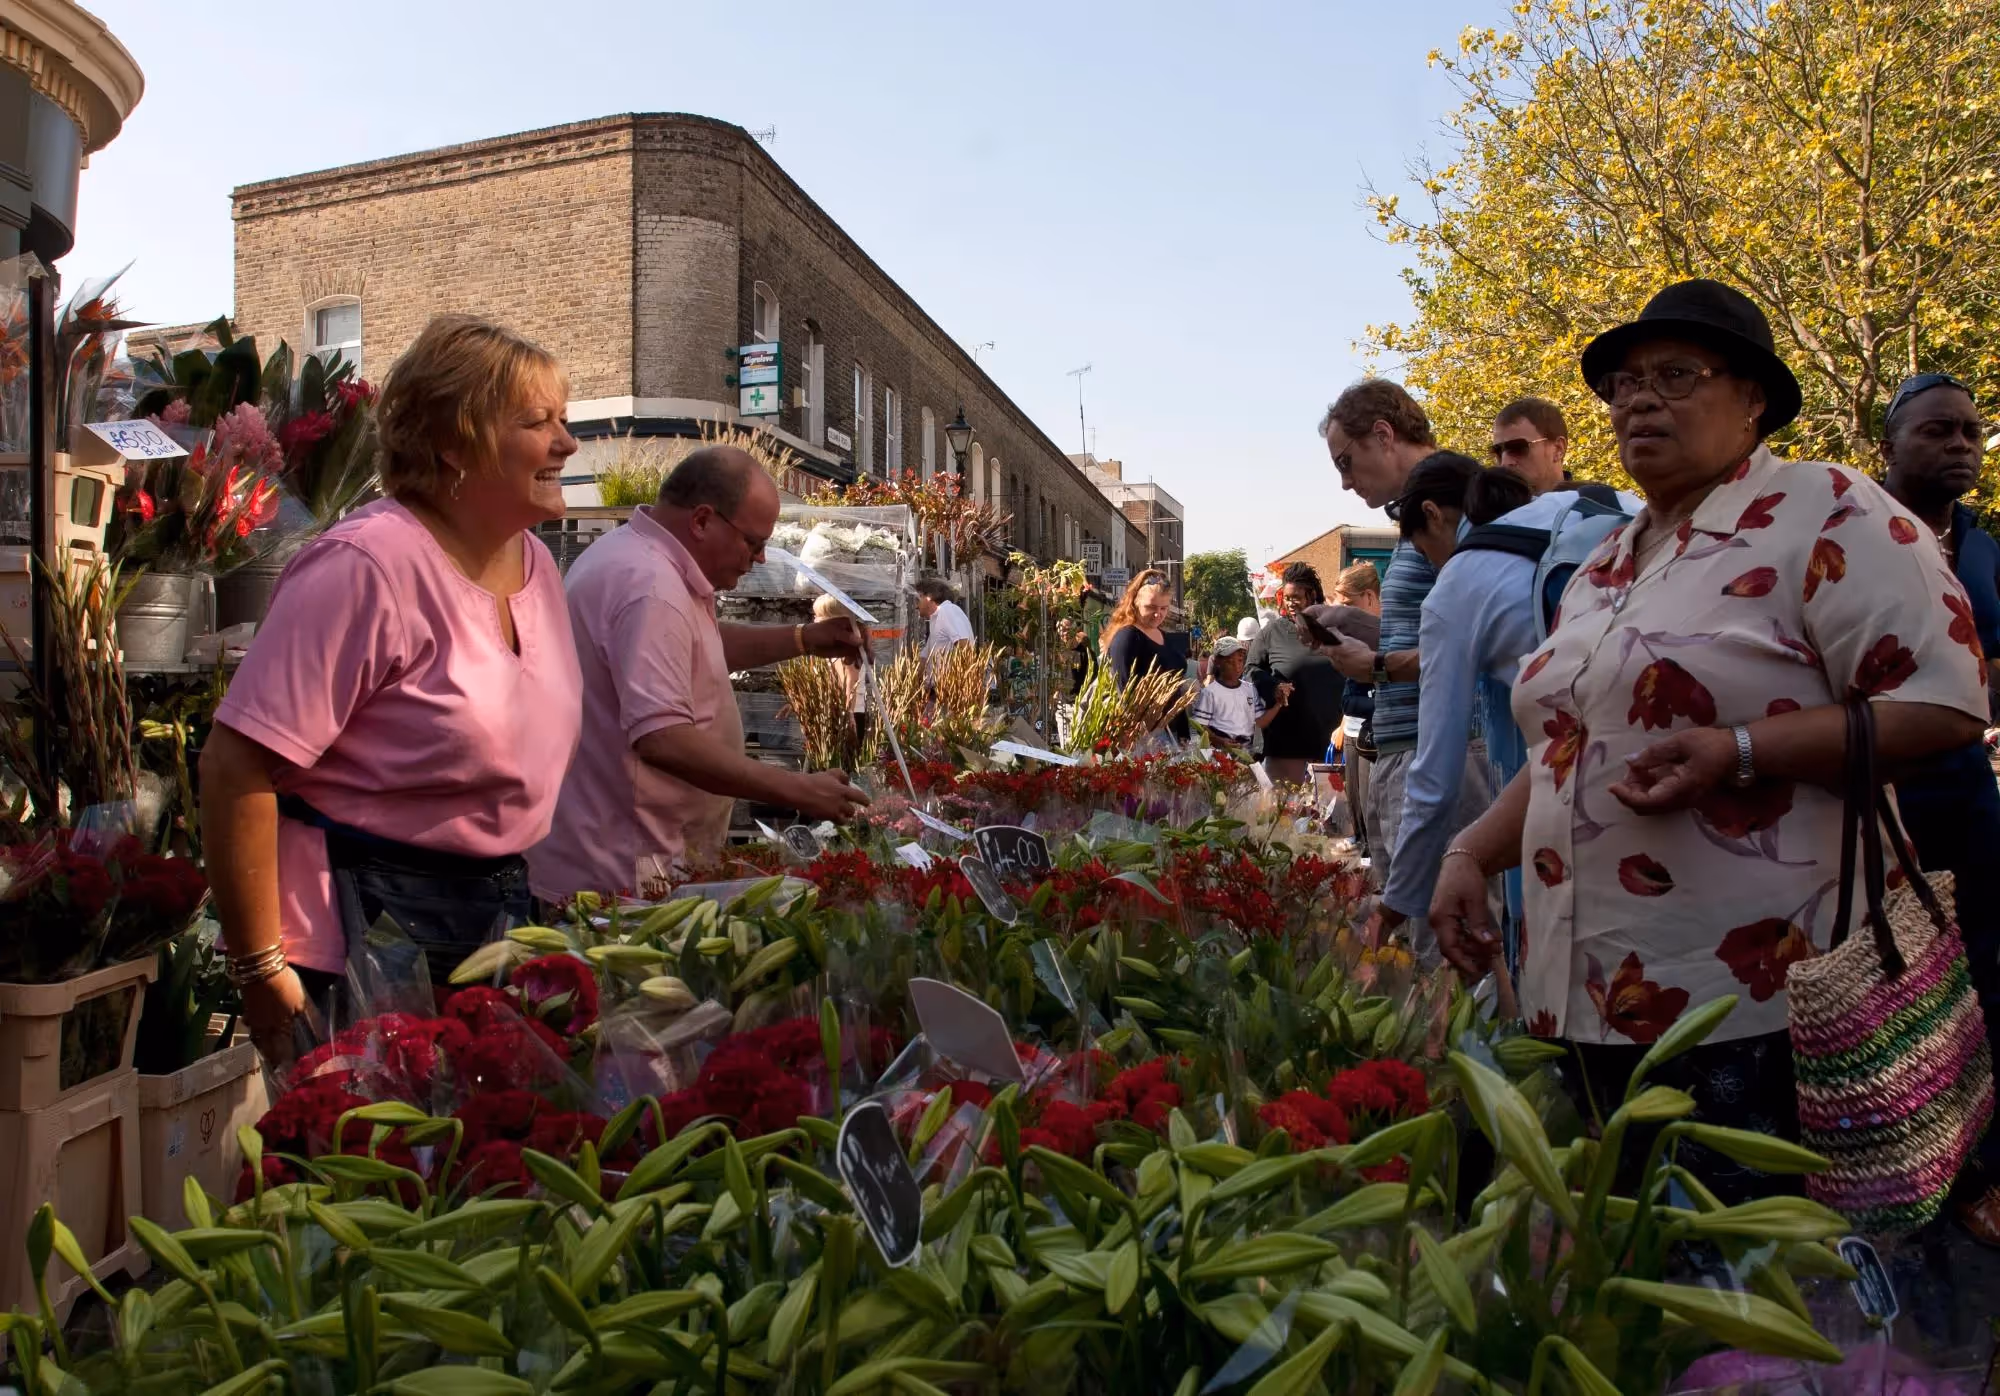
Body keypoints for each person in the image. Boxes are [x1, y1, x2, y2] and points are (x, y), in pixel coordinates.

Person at [1429, 280, 1988, 1201]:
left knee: (1764, 1297)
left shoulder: (1828, 509)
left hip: (1765, 1011)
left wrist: (1738, 752)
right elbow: (1570, 747)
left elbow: (1946, 704)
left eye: (1677, 375)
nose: (1639, 400)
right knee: (1638, 1283)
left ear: (1754, 399)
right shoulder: (1607, 559)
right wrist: (1470, 853)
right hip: (1584, 995)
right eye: (1622, 384)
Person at [201, 315, 587, 1063]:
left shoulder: (537, 565)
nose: (566, 443)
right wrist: (259, 967)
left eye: (563, 421)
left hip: (496, 910)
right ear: (453, 443)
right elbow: (234, 765)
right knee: (373, 1166)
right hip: (364, 922)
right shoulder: (366, 565)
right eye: (538, 423)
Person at [530, 447, 870, 905]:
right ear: (702, 521)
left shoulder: (644, 560)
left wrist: (802, 639)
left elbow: (696, 648)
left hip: (636, 856)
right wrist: (798, 788)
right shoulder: (649, 587)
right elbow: (663, 739)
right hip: (621, 873)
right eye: (753, 542)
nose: (762, 559)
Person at [1877, 370, 2000, 1240]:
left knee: (1983, 966)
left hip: (1964, 788)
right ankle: (1895, 1164)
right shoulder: (1850, 535)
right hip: (1872, 789)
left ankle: (1977, 1167)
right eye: (1938, 431)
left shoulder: (1987, 548)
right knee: (1887, 982)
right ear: (1888, 446)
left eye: (1972, 432)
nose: (1960, 445)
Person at [1317, 380, 1442, 886]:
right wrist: (1352, 623)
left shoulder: (1449, 508)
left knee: (1433, 941)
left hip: (1432, 753)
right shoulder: (1417, 521)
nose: (1346, 483)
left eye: (1345, 461)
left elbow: (1471, 643)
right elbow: (1428, 630)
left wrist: (1374, 666)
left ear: (1385, 435)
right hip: (1402, 749)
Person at [1247, 561, 1344, 784]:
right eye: (1287, 597)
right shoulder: (1273, 632)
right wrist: (1272, 687)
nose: (1290, 603)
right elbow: (1251, 668)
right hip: (1285, 744)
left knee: (1327, 814)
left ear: (1312, 595)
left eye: (1296, 597)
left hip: (1328, 743)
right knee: (1284, 813)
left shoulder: (1333, 628)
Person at [1101, 568, 1191, 744]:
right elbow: (1126, 694)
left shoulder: (1162, 635)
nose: (1158, 614)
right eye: (1151, 607)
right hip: (1146, 738)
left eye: (1164, 608)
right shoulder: (1127, 637)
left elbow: (1176, 691)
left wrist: (1183, 734)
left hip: (1171, 734)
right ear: (1135, 601)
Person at [1332, 563, 1381, 856]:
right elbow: (1348, 699)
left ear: (1370, 598)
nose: (1345, 614)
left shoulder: (1390, 635)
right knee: (1358, 809)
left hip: (1379, 740)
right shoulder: (1356, 637)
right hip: (1354, 733)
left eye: (1349, 605)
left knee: (1374, 813)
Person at [1192, 636, 1289, 752]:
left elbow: (1260, 722)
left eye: (1239, 660)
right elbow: (1200, 726)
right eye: (1229, 662)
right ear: (1217, 662)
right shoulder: (1210, 693)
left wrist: (1278, 704)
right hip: (1219, 755)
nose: (1236, 666)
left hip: (1246, 754)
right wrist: (1220, 741)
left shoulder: (1250, 689)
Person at [1491, 396, 1572, 494]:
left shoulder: (1589, 506)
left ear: (1558, 449)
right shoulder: (1487, 508)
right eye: (1498, 451)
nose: (1505, 463)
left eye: (1517, 448)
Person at [916, 578, 974, 660]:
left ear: (929, 597)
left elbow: (965, 647)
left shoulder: (947, 610)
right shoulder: (935, 620)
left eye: (919, 598)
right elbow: (925, 657)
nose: (916, 606)